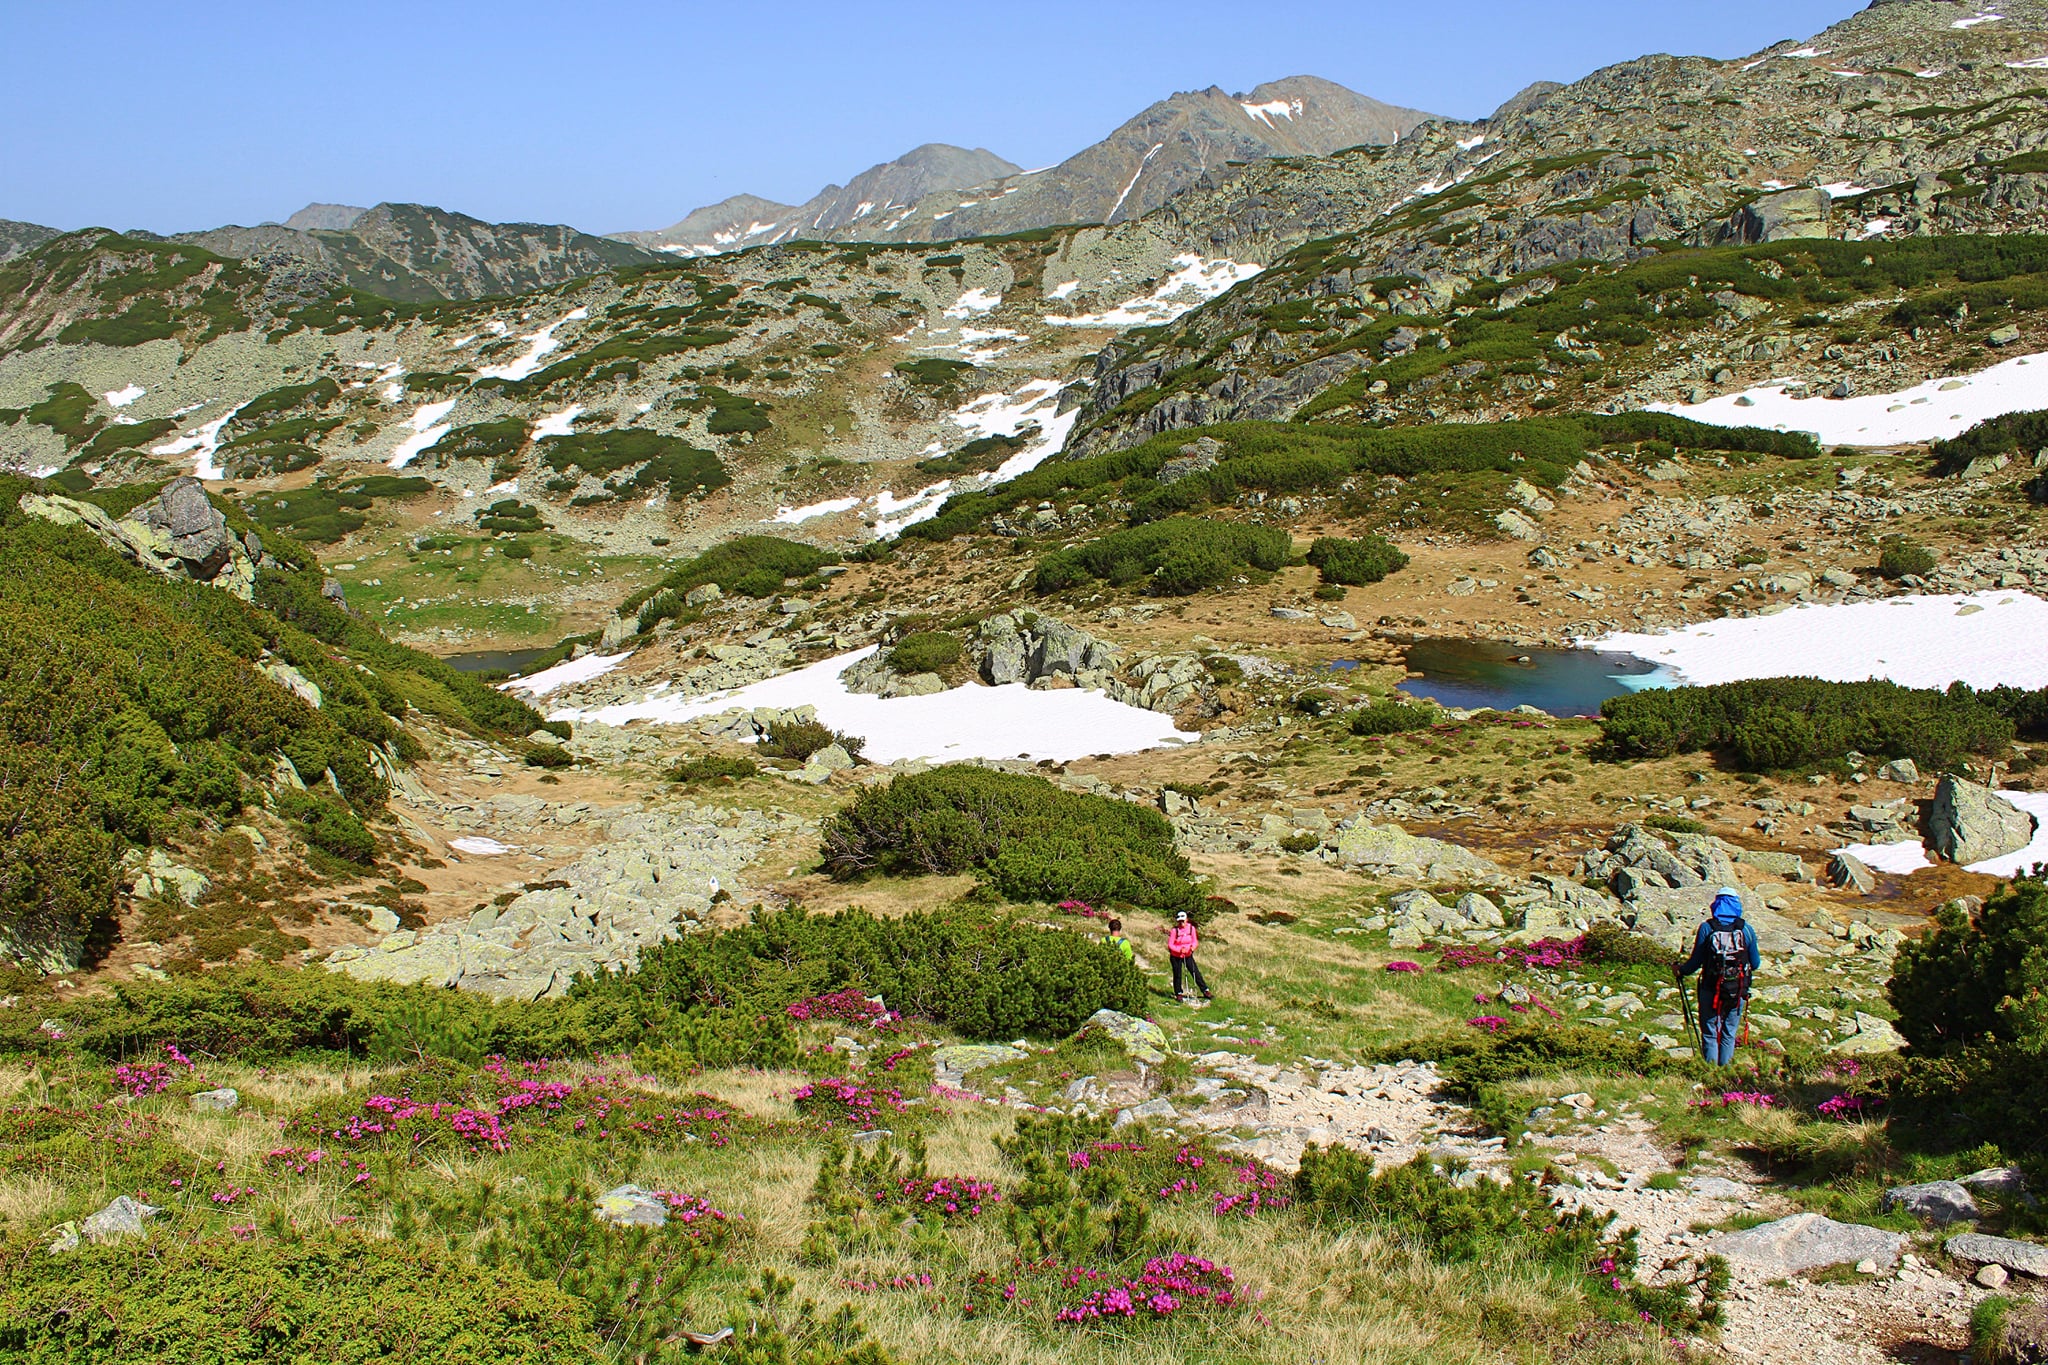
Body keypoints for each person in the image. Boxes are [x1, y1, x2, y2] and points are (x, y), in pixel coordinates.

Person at [1675, 887, 1761, 1066]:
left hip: (1711, 988)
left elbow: (1695, 962)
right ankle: (1725, 1075)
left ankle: (1710, 1072)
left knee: (1710, 1032)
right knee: (1729, 1033)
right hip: (1737, 990)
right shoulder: (1746, 929)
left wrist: (1681, 970)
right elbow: (1756, 963)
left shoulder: (1707, 928)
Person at [1166, 910, 1210, 1002]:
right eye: (1179, 921)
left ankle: (1205, 990)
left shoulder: (1191, 929)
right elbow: (1170, 945)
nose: (1181, 923)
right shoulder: (1175, 930)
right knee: (1177, 974)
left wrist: (1191, 948)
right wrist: (1179, 950)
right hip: (1176, 956)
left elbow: (1195, 941)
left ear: (1187, 920)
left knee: (1195, 972)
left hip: (1188, 954)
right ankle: (1178, 993)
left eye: (1183, 920)